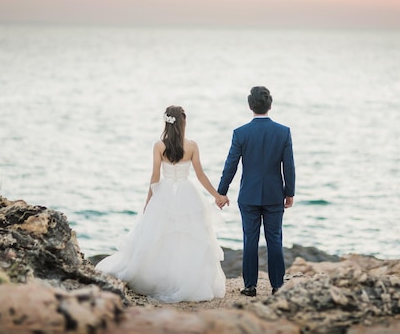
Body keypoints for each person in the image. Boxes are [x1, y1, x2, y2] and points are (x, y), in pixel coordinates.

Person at [96, 105, 227, 303]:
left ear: (166, 122)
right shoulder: (192, 145)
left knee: (159, 236)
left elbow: (155, 176)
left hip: (164, 193)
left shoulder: (159, 146)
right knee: (189, 237)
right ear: (183, 123)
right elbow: (200, 175)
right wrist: (217, 195)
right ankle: (186, 278)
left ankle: (160, 277)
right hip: (188, 194)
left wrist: (149, 201)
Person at [217, 86, 295, 296]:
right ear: (270, 105)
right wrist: (290, 192)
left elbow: (230, 165)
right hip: (274, 194)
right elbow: (288, 166)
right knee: (275, 239)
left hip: (249, 196)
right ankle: (277, 286)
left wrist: (221, 192)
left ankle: (250, 286)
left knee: (249, 239)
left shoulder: (241, 133)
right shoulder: (283, 132)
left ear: (250, 106)